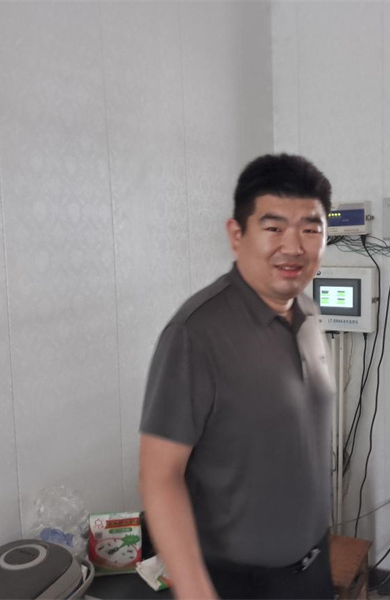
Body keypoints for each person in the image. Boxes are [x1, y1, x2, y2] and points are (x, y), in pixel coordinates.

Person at [139, 153, 335, 600]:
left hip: (312, 569)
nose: (294, 247)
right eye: (274, 228)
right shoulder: (195, 334)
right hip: (237, 583)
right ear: (236, 234)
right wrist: (194, 590)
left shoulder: (308, 312)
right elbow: (158, 475)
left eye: (311, 229)